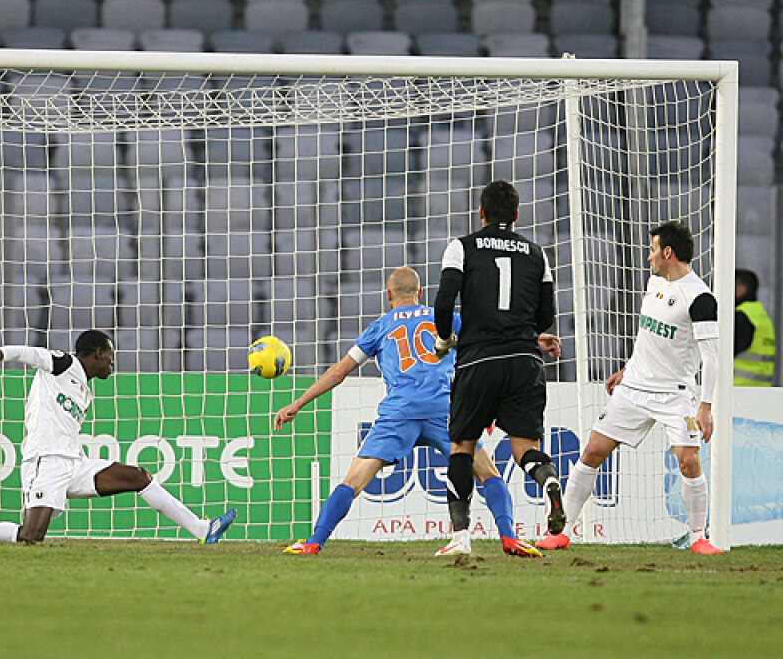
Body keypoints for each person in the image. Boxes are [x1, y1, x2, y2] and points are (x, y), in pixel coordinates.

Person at [274, 267, 542, 558]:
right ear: (421, 294)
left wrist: (297, 404)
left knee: (353, 481)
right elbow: (495, 341)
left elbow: (339, 371)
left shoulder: (380, 327)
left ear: (388, 295)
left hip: (400, 412)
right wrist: (535, 341)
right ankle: (509, 538)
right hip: (445, 410)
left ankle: (314, 543)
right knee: (488, 475)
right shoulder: (448, 319)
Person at [537, 222, 724, 555]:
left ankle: (698, 537)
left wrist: (705, 406)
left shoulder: (700, 298)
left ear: (668, 252)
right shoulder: (654, 283)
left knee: (688, 461)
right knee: (592, 452)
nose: (649, 257)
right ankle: (561, 531)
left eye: (653, 249)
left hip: (676, 394)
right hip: (634, 387)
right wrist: (627, 369)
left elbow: (710, 357)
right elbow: (649, 337)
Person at [0, 330, 237, 547]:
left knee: (138, 476)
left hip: (74, 464)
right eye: (110, 354)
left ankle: (202, 530)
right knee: (30, 535)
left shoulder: (84, 389)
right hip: (45, 460)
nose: (113, 362)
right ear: (99, 352)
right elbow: (24, 352)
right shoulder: (63, 363)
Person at [433, 180, 564, 555]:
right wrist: (524, 334)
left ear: (481, 212)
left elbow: (444, 301)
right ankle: (549, 480)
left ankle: (460, 537)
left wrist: (445, 338)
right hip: (525, 362)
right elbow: (547, 316)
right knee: (525, 448)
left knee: (462, 445)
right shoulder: (537, 253)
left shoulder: (462, 246)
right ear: (517, 215)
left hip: (479, 360)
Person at [733, 269, 774, 386]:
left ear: (741, 289)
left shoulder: (742, 316)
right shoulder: (760, 314)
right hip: (761, 390)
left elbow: (722, 352)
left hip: (737, 389)